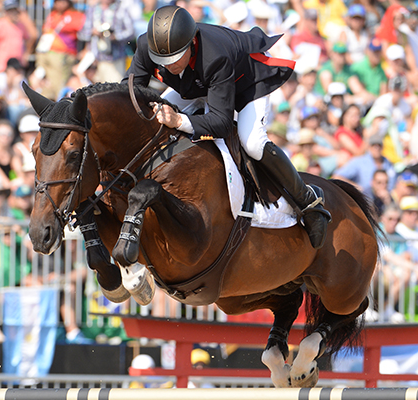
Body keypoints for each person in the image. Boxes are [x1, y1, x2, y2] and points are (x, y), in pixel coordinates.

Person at [124, 5, 331, 248]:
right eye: (163, 60)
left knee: (252, 143)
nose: (169, 65)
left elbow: (221, 123)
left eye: (175, 58)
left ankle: (308, 201)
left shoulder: (215, 56)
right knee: (151, 122)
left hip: (247, 85)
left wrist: (179, 120)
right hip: (198, 86)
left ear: (191, 43)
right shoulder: (148, 45)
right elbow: (128, 94)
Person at [36, 0, 85, 99]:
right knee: (44, 83)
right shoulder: (53, 15)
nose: (59, 4)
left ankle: (60, 107)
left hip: (62, 55)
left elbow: (78, 27)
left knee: (59, 84)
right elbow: (46, 28)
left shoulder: (75, 15)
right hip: (45, 53)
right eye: (57, 2)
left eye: (62, 1)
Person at [79, 0, 135, 82]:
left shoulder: (121, 10)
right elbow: (82, 33)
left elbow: (131, 32)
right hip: (95, 60)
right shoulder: (92, 10)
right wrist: (93, 32)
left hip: (114, 60)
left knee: (115, 90)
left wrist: (114, 37)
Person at [0, 0, 38, 74]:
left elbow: (32, 36)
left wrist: (26, 53)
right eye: (10, 10)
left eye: (14, 10)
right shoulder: (0, 24)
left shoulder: (21, 25)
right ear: (6, 12)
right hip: (2, 67)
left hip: (17, 66)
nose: (13, 13)